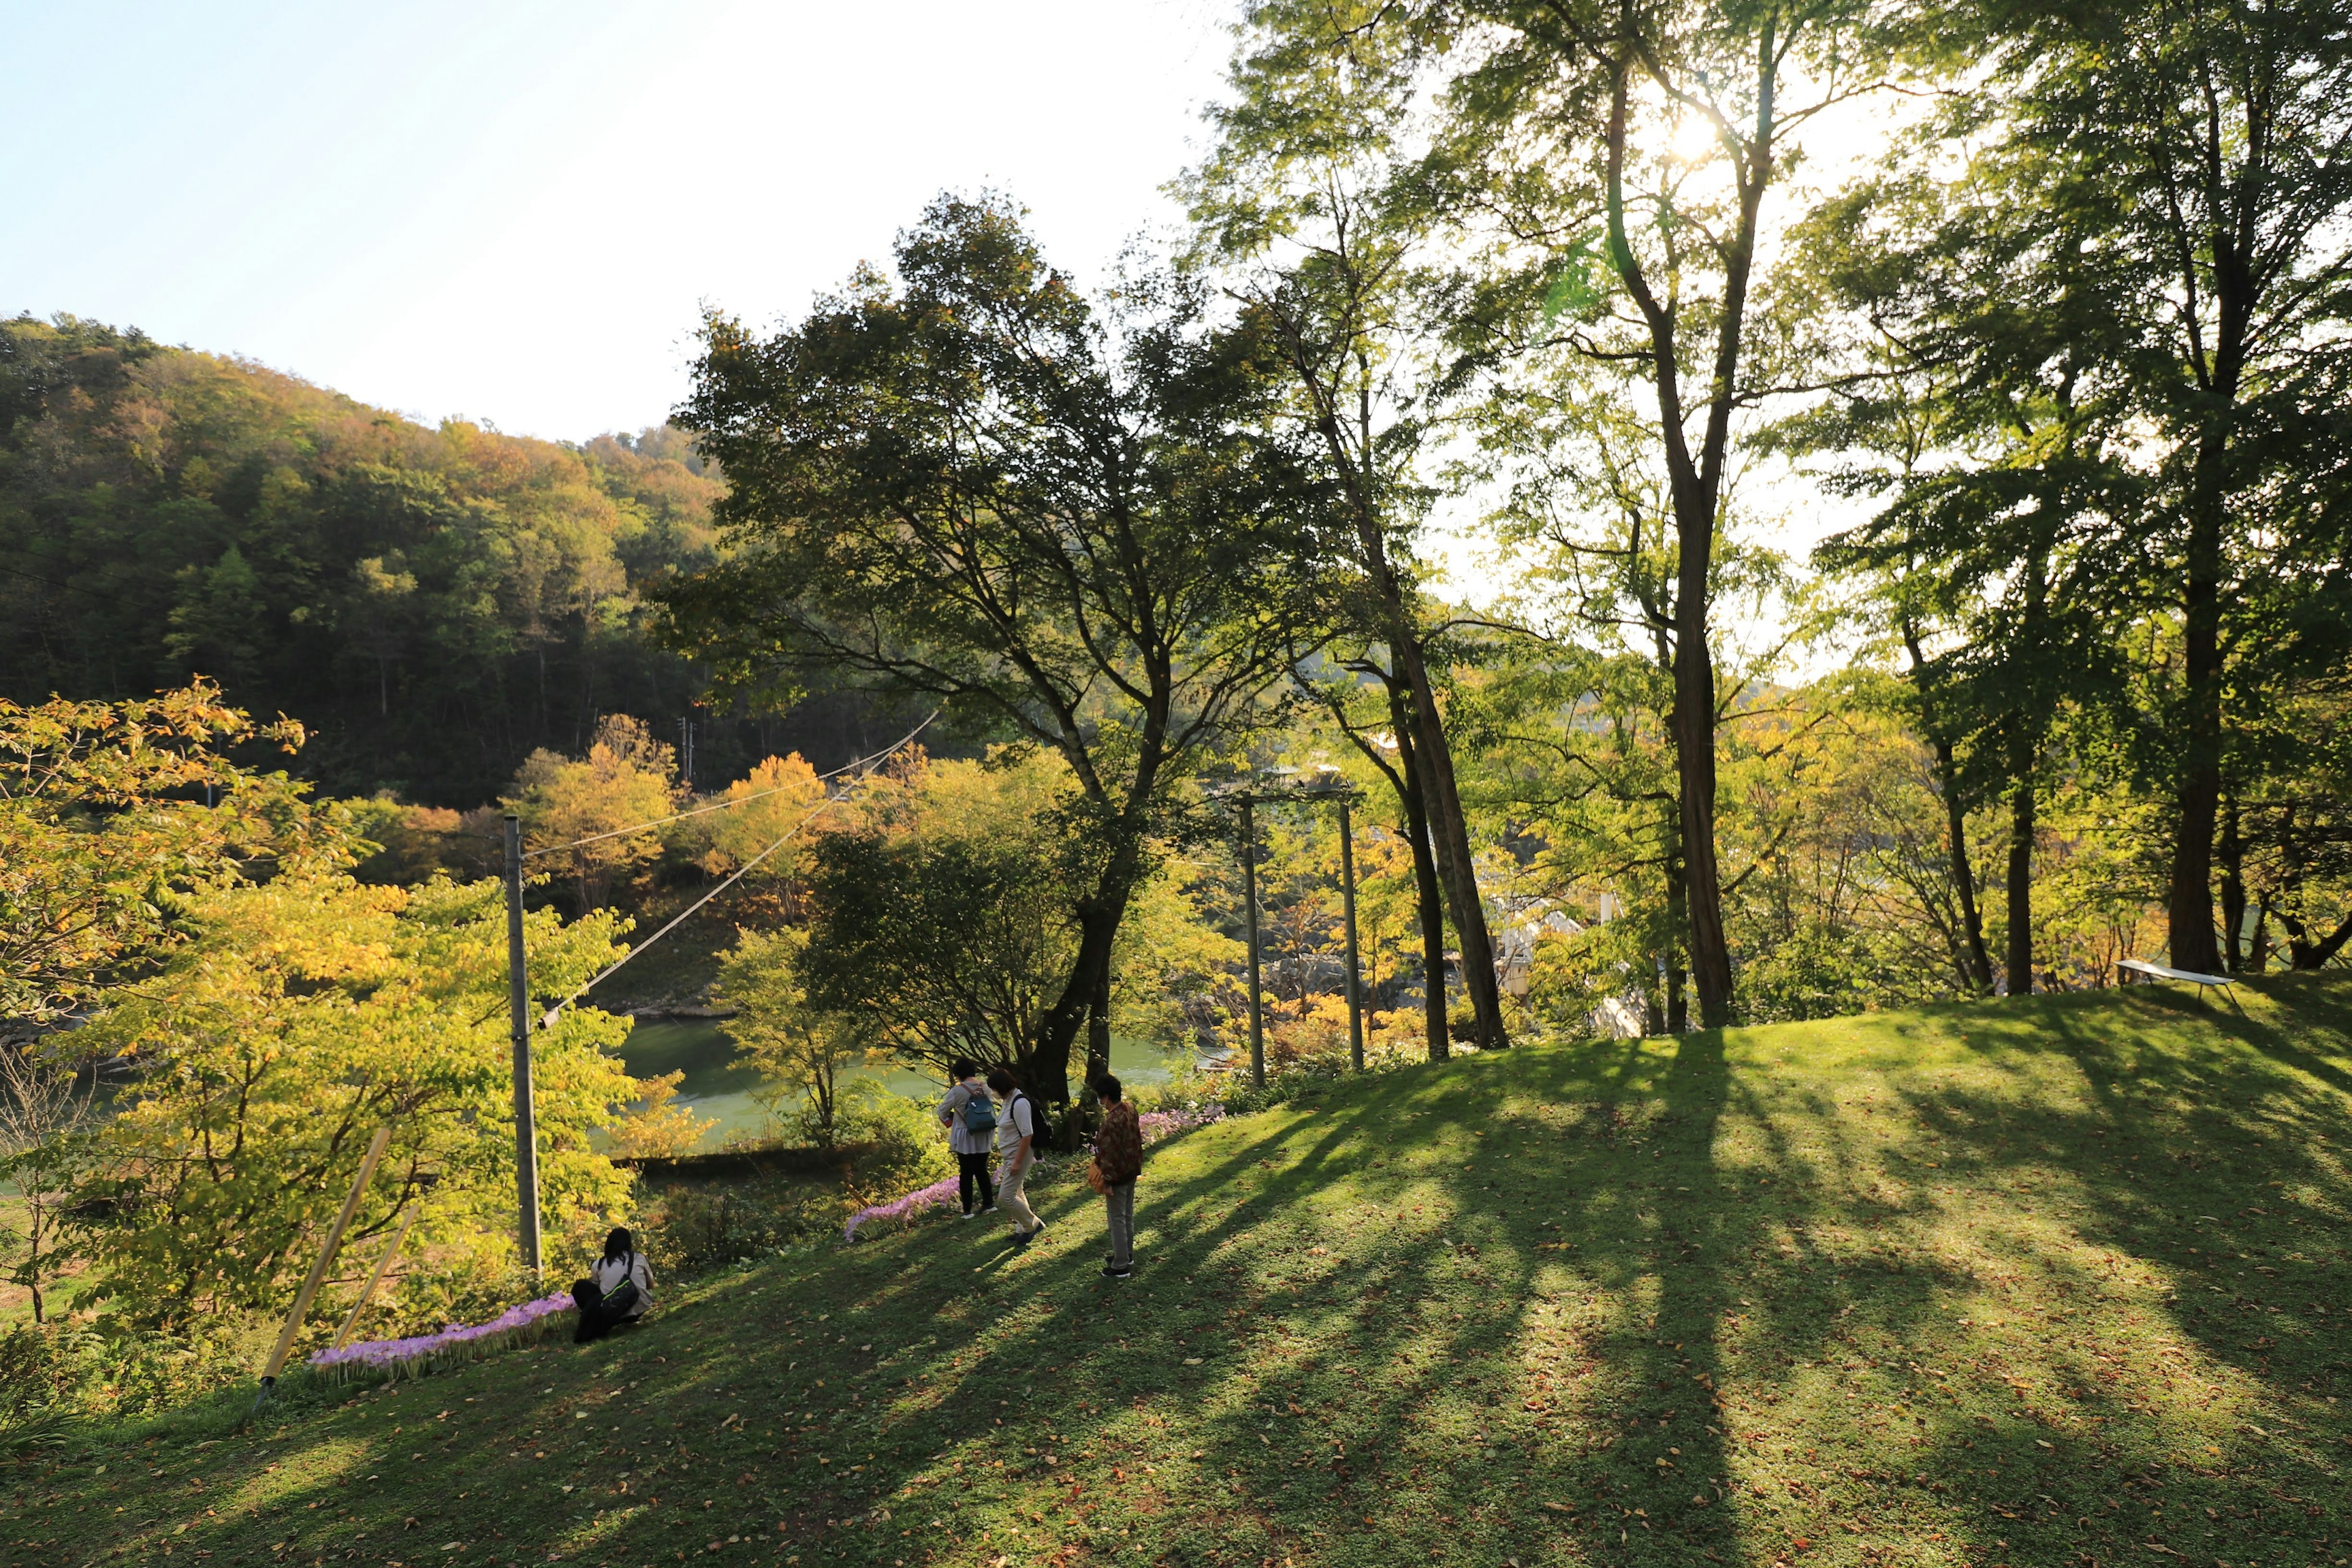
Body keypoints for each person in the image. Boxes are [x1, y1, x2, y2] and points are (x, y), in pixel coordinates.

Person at [986, 1066, 1045, 1248]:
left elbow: (1027, 1135)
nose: (993, 1093)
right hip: (1010, 1155)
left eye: (994, 1089)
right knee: (1017, 1192)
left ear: (1002, 1087)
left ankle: (1033, 1224)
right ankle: (1022, 1230)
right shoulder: (1007, 1101)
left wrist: (1018, 1162)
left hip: (1018, 1154)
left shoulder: (1019, 1103)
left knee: (1006, 1196)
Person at [1091, 1074, 1142, 1280]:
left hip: (1118, 1176)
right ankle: (1126, 1253)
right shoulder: (1129, 1109)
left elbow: (1108, 1154)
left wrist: (1108, 1182)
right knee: (1127, 1215)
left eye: (1100, 1098)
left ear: (1105, 1097)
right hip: (1131, 1170)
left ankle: (1120, 1266)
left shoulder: (1110, 1123)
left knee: (1117, 1220)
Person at [938, 1058, 998, 1218]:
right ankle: (989, 1204)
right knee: (982, 1169)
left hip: (966, 1134)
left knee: (966, 1173)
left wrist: (951, 1121)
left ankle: (967, 1211)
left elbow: (942, 1112)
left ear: (958, 1074)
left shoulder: (957, 1091)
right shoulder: (984, 1087)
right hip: (985, 1132)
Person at [572, 1227, 654, 1343]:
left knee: (581, 1286)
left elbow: (600, 1292)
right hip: (640, 1307)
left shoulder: (598, 1264)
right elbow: (651, 1285)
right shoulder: (638, 1258)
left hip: (614, 1312)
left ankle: (594, 1322)